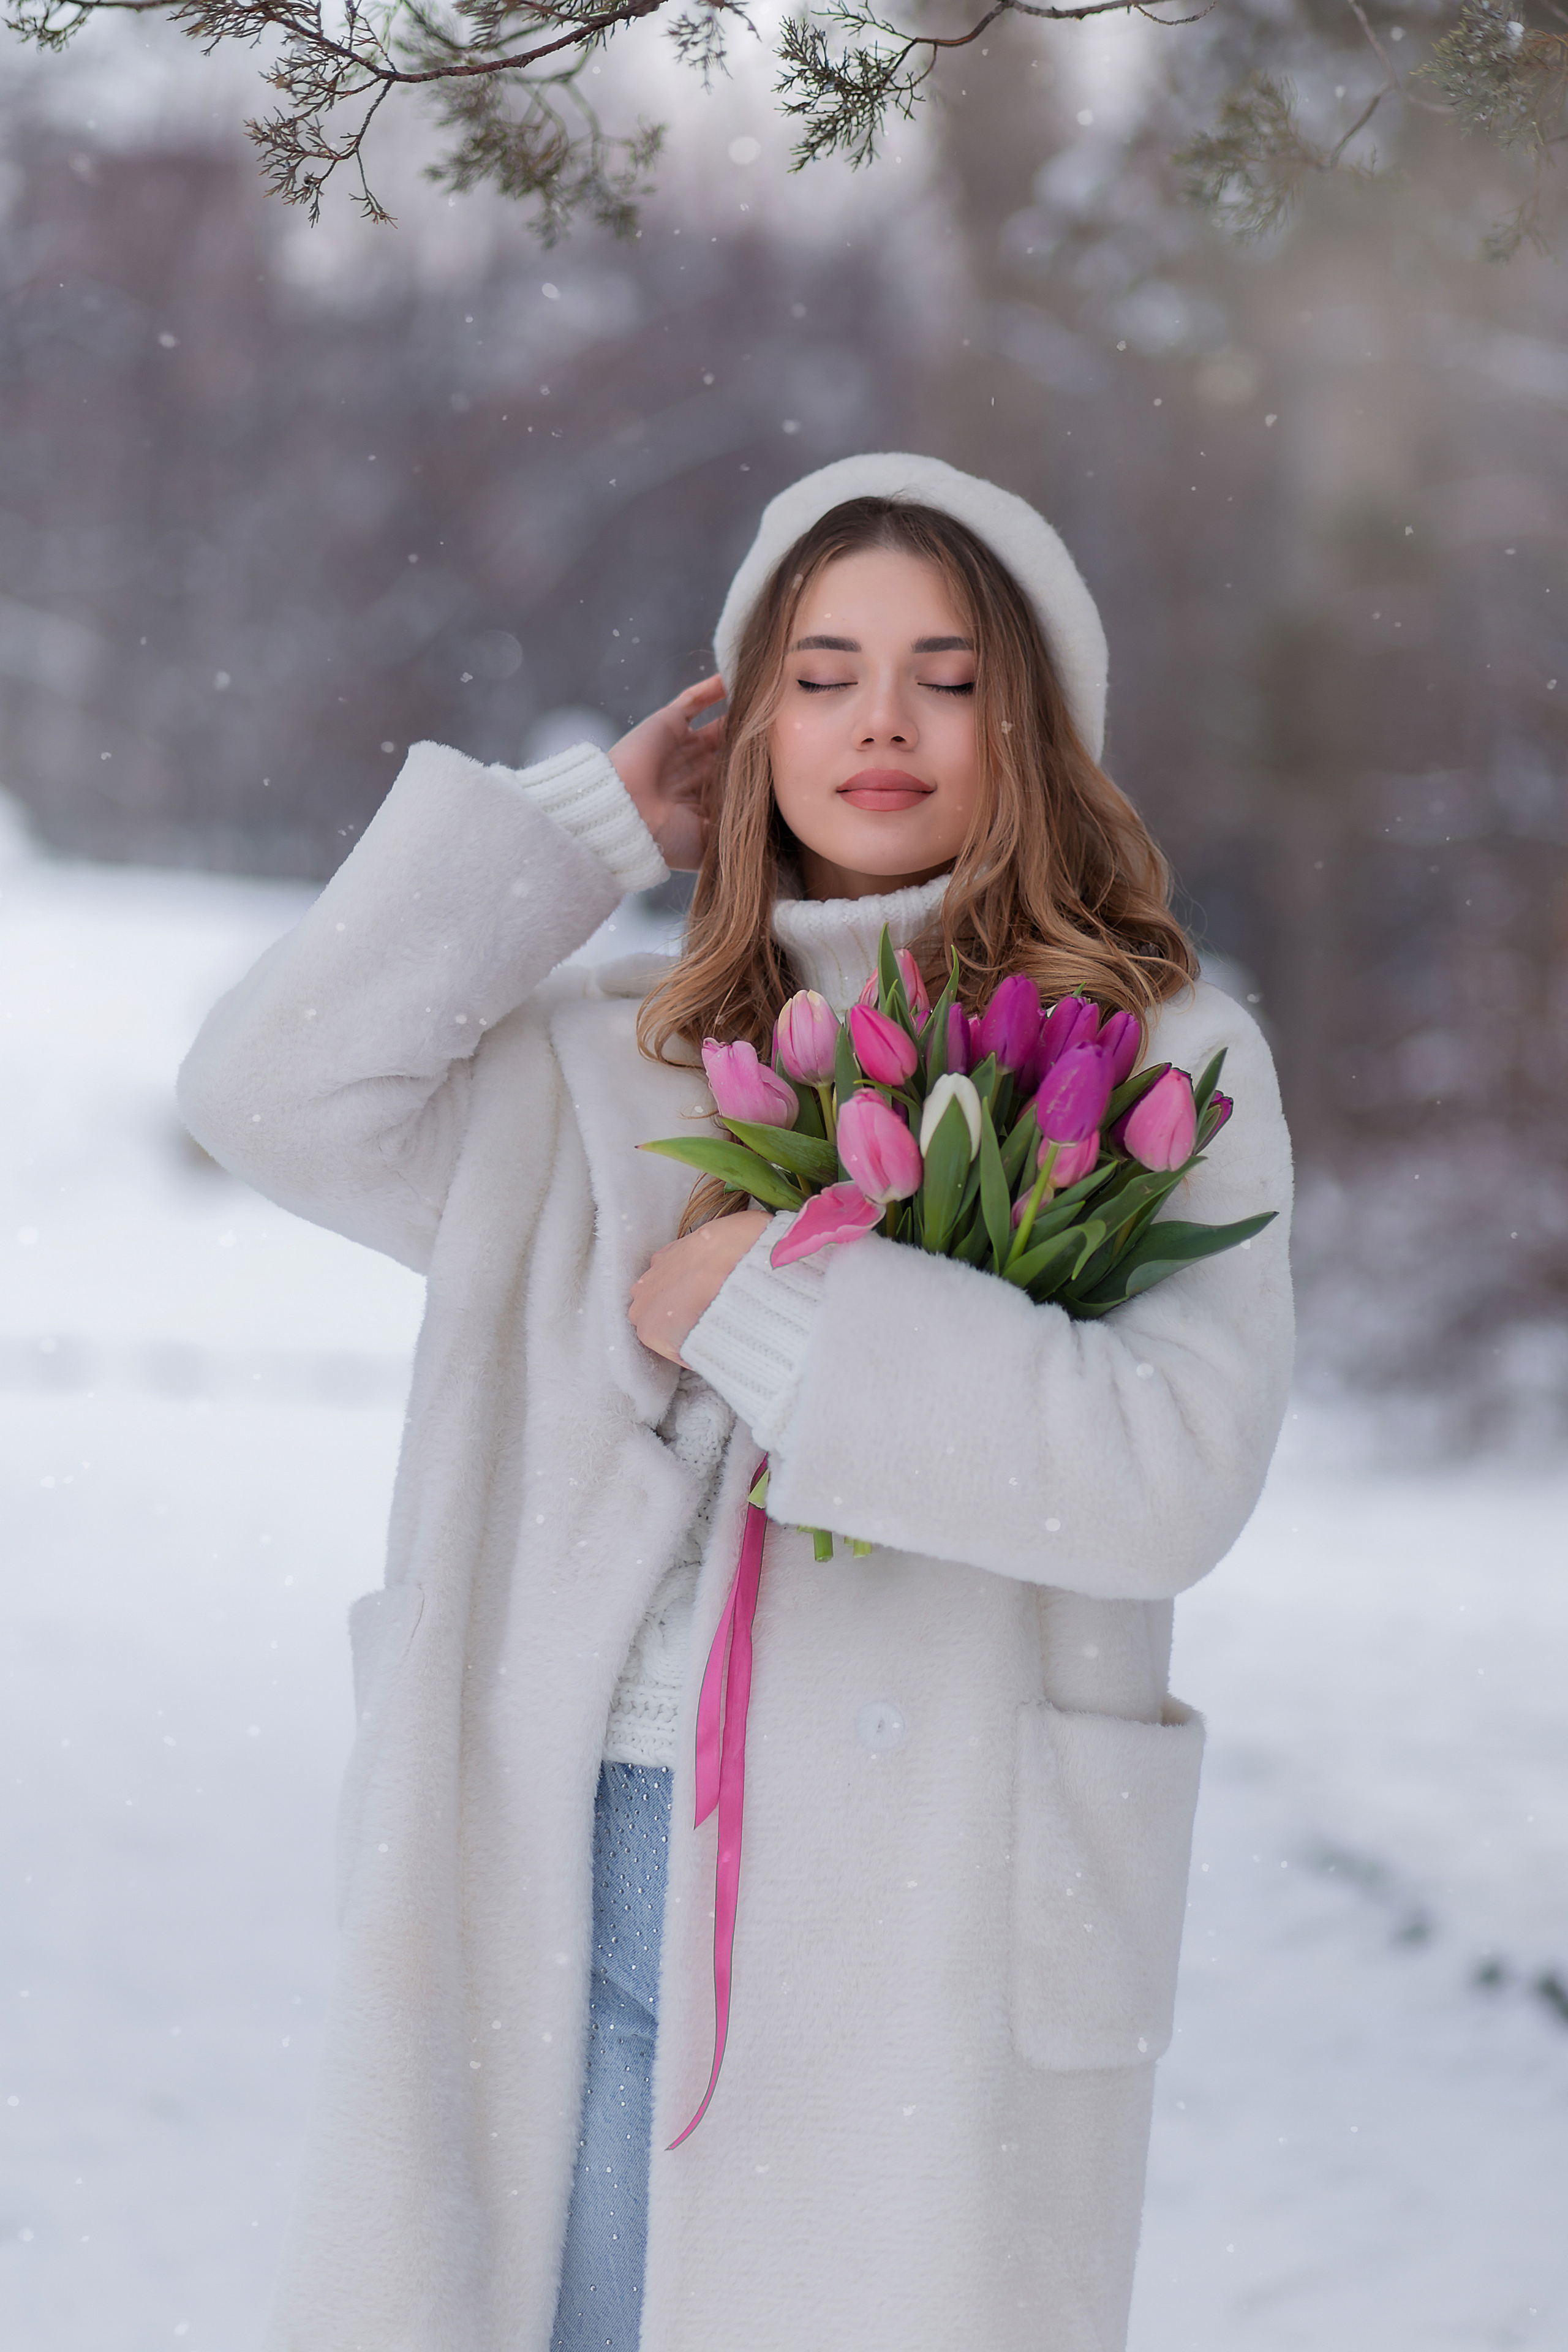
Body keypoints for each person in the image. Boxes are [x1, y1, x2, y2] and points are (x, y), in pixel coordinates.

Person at [178, 452, 1294, 2352]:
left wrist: (784, 1311)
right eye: (825, 668)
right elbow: (276, 1096)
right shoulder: (606, 1058)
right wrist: (589, 828)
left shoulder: (1159, 1052)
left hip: (925, 1889)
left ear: (1032, 723)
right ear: (749, 718)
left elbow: (1168, 1469)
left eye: (947, 675)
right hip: (564, 1840)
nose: (881, 722)